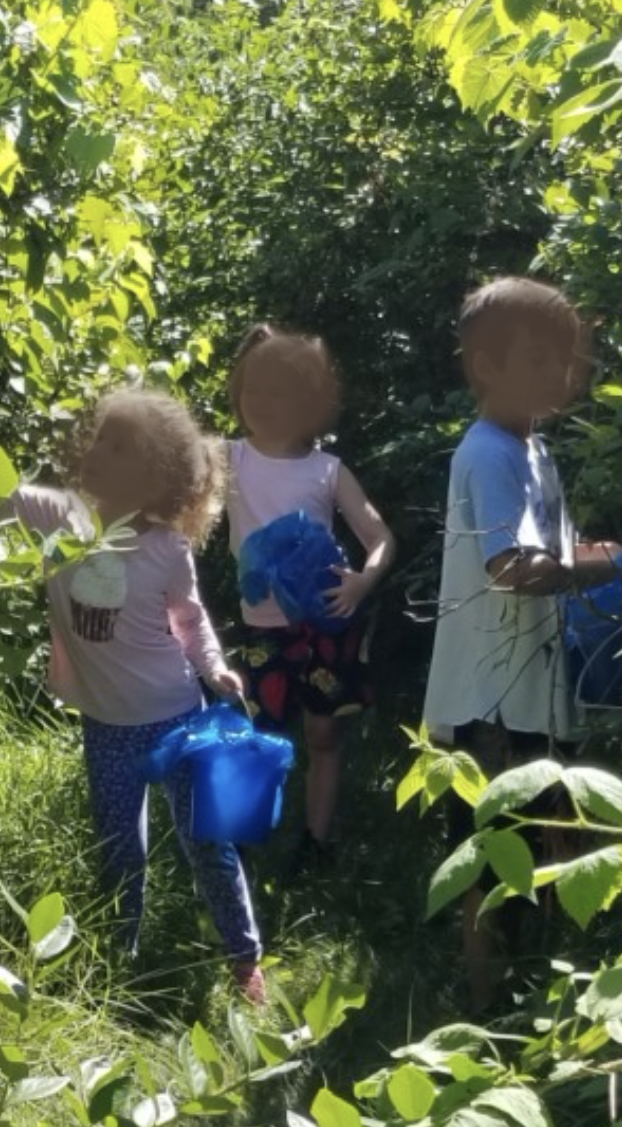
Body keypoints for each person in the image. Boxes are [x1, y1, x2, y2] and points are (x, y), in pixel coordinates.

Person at [0, 363, 267, 1003]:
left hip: (176, 718)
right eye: (100, 439)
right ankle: (120, 964)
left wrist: (214, 668)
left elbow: (189, 620)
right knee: (120, 852)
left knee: (208, 846)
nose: (96, 452)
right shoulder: (55, 515)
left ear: (154, 477)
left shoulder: (167, 548)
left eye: (118, 447)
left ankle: (245, 961)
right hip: (107, 725)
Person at [422, 277, 622, 1012]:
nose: (563, 375)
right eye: (542, 360)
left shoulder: (533, 450)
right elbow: (510, 569)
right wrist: (594, 568)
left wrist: (592, 554)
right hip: (490, 694)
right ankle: (483, 996)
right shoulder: (486, 454)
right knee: (489, 846)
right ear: (486, 366)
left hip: (530, 685)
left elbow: (552, 546)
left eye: (568, 360)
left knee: (550, 827)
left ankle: (542, 982)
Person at [222, 324, 395, 856]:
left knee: (323, 736)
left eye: (279, 392)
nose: (263, 403)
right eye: (253, 390)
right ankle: (247, 836)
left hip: (323, 623)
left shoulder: (327, 471)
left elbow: (380, 537)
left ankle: (316, 842)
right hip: (261, 626)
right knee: (259, 736)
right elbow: (171, 476)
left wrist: (364, 581)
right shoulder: (229, 458)